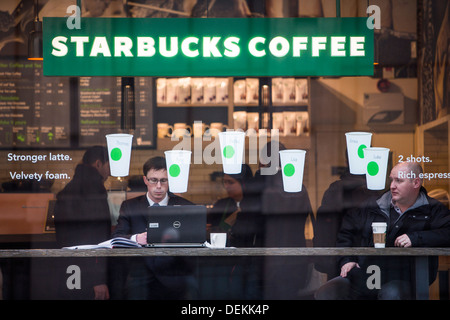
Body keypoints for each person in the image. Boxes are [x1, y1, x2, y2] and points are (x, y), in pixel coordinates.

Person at [315, 161, 450, 300]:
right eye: (392, 180)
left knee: (391, 293)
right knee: (328, 292)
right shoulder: (373, 205)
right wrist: (347, 260)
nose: (392, 186)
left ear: (416, 183)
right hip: (364, 273)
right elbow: (346, 232)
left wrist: (416, 238)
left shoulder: (432, 209)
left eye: (399, 180)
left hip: (405, 277)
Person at [112, 156, 196, 300]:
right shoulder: (129, 206)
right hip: (140, 279)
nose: (158, 186)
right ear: (145, 180)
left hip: (175, 280)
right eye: (153, 180)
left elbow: (195, 241)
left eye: (163, 180)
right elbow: (117, 238)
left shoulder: (185, 206)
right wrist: (137, 238)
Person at [254, 141, 315, 299]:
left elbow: (255, 224)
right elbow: (311, 222)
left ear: (264, 162)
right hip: (295, 260)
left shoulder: (264, 190)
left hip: (269, 262)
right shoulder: (300, 188)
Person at [53, 146, 112, 300]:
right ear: (98, 164)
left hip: (71, 267)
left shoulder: (69, 188)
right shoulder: (94, 191)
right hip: (89, 273)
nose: (110, 172)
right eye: (108, 166)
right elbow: (95, 238)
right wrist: (98, 279)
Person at [314, 154, 382, 279]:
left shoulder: (336, 189)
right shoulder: (376, 190)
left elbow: (324, 226)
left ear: (346, 162)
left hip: (338, 257)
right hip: (369, 260)